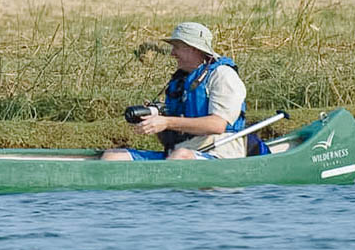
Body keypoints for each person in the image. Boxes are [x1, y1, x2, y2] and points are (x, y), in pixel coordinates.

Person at [101, 21, 248, 161]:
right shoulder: (181, 81)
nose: (172, 53)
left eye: (177, 47)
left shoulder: (223, 75)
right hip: (178, 154)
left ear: (193, 48)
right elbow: (168, 139)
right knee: (113, 156)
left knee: (180, 156)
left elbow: (217, 125)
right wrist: (155, 121)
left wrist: (167, 122)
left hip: (218, 155)